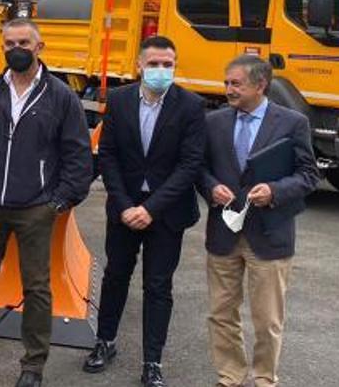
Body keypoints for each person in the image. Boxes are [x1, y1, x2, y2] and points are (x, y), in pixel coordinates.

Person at [0, 18, 92, 387]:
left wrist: (59, 201)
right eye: (10, 42)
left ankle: (33, 364)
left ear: (39, 47)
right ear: (2, 46)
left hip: (35, 207)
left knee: (37, 287)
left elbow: (78, 155)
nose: (17, 48)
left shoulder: (61, 96)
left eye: (24, 42)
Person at [86, 35, 207, 387]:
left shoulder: (190, 106)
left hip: (166, 213)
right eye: (153, 64)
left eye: (167, 64)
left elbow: (189, 165)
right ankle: (104, 342)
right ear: (139, 65)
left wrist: (150, 209)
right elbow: (107, 154)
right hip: (123, 210)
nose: (160, 70)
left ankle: (152, 361)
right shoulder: (121, 100)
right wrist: (125, 206)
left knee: (158, 286)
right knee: (115, 277)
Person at [199, 55, 318, 387]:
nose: (228, 90)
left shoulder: (293, 123)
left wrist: (275, 191)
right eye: (226, 83)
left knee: (267, 321)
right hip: (223, 233)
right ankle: (230, 376)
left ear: (260, 85)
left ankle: (264, 379)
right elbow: (199, 168)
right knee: (221, 314)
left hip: (270, 235)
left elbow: (309, 175)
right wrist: (211, 187)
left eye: (235, 83)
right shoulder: (215, 122)